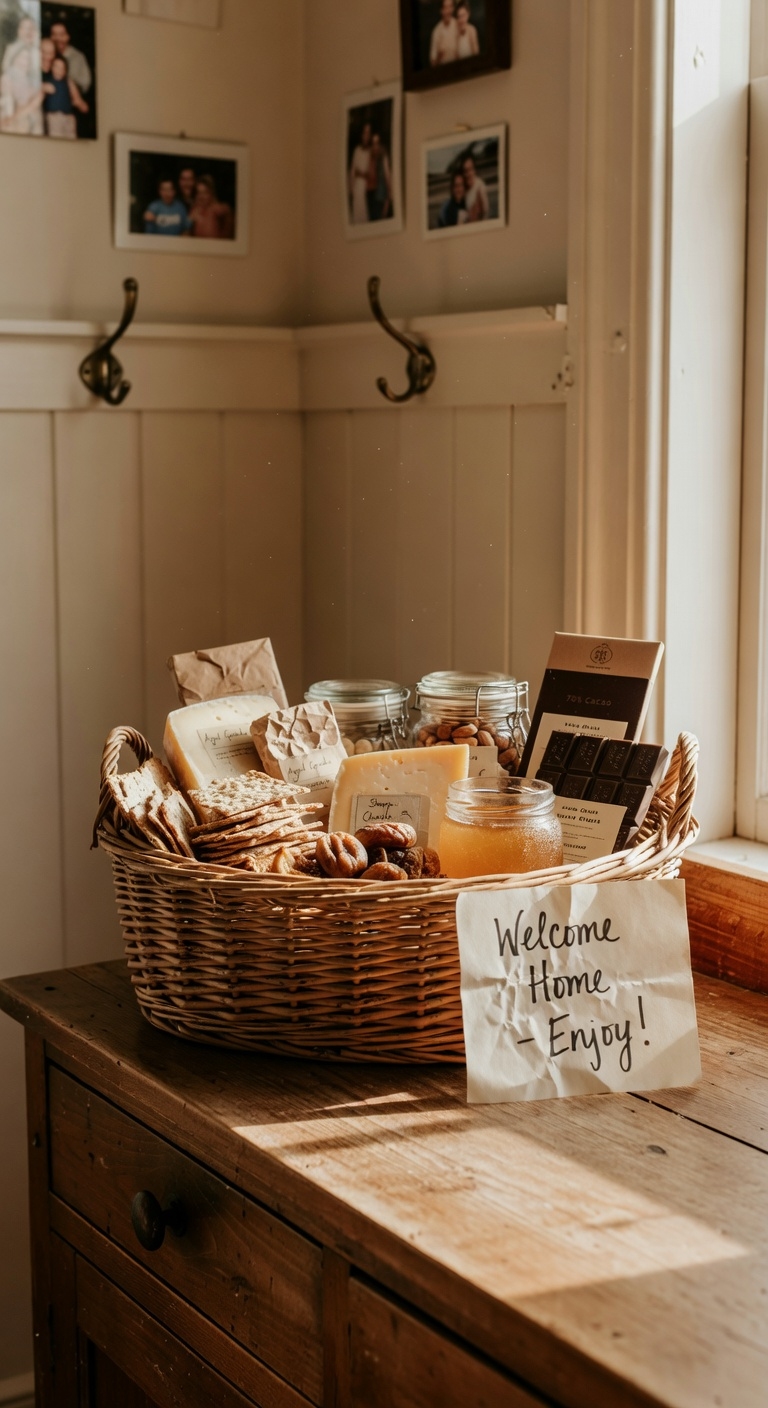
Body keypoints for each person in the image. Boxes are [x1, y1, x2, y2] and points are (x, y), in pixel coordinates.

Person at [42, 53, 87, 138]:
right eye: (56, 66)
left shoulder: (68, 82)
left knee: (71, 137)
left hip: (68, 116)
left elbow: (76, 97)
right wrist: (44, 87)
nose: (58, 70)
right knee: (56, 137)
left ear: (65, 71)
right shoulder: (49, 81)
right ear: (52, 67)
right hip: (54, 116)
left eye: (61, 68)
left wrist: (79, 103)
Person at [49, 19, 91, 96]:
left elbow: (85, 85)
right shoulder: (45, 54)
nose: (58, 38)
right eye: (54, 34)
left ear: (68, 36)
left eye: (61, 35)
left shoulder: (78, 57)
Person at [188, 175, 234, 239]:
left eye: (205, 192)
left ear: (211, 193)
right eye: (199, 193)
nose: (201, 196)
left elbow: (228, 210)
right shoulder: (194, 210)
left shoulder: (217, 209)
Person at [348, 119, 372, 224]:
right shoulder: (357, 150)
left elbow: (370, 173)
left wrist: (361, 173)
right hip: (357, 189)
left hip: (367, 189)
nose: (366, 136)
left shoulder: (371, 151)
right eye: (364, 133)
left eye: (368, 133)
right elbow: (353, 171)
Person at [366, 132, 392, 221]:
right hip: (372, 195)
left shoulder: (383, 157)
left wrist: (389, 193)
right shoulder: (371, 158)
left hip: (382, 195)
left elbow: (387, 175)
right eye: (373, 144)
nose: (375, 146)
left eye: (377, 143)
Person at [430, 0, 458, 66]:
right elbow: (433, 62)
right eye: (446, 7)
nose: (448, 11)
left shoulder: (458, 25)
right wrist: (439, 57)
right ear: (441, 10)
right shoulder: (436, 31)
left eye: (450, 7)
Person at [462, 153, 490, 220]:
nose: (468, 174)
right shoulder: (464, 186)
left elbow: (485, 213)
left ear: (474, 170)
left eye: (470, 170)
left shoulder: (480, 187)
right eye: (465, 171)